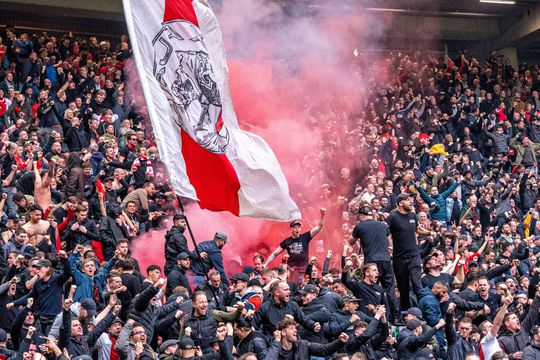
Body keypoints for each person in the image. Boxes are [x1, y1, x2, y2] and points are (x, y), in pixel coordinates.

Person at [349, 205, 399, 322]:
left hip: (371, 262)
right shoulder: (382, 225)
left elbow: (351, 241)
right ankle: (395, 317)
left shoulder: (360, 226)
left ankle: (369, 315)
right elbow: (389, 239)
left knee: (368, 288)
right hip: (386, 260)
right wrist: (390, 247)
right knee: (390, 289)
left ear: (361, 215)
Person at [386, 193, 426, 311]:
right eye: (408, 200)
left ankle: (423, 310)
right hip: (400, 258)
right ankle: (406, 313)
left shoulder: (413, 215)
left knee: (417, 284)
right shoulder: (392, 217)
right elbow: (386, 232)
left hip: (414, 256)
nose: (411, 202)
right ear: (401, 203)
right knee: (403, 289)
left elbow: (417, 229)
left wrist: (429, 233)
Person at [264, 208, 326, 281]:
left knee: (304, 285)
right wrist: (265, 264)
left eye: (298, 227)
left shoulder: (305, 237)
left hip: (304, 270)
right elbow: (274, 254)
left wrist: (322, 215)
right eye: (295, 227)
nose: (297, 229)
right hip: (292, 270)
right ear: (291, 229)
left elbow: (319, 227)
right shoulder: (287, 242)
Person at [265, 318, 349, 360]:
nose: (295, 330)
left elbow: (324, 349)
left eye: (295, 328)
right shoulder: (273, 348)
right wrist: (277, 341)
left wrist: (340, 341)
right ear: (283, 332)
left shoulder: (303, 344)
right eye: (291, 328)